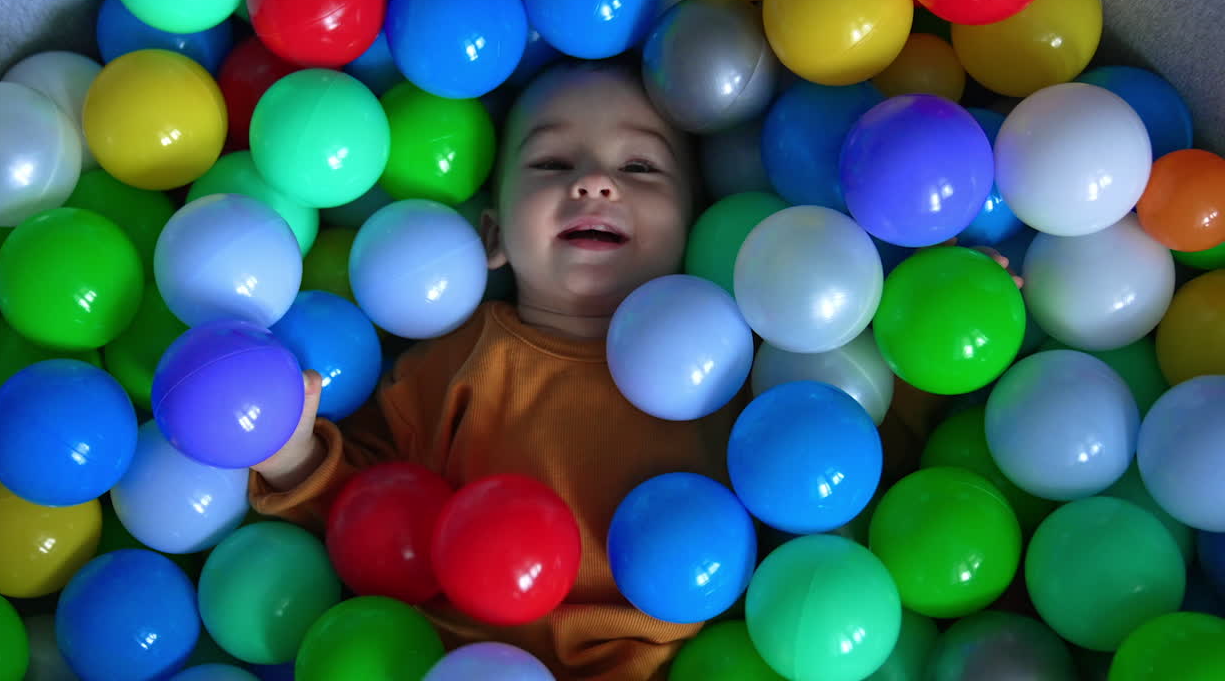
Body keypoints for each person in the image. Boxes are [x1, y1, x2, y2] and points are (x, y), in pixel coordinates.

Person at [249, 58, 1005, 679]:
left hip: (691, 661)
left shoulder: (743, 356)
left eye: (640, 166)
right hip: (462, 657)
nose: (594, 182)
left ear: (698, 226)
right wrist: (295, 457)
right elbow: (369, 517)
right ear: (492, 234)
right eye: (550, 161)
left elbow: (848, 443)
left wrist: (951, 324)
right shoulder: (452, 363)